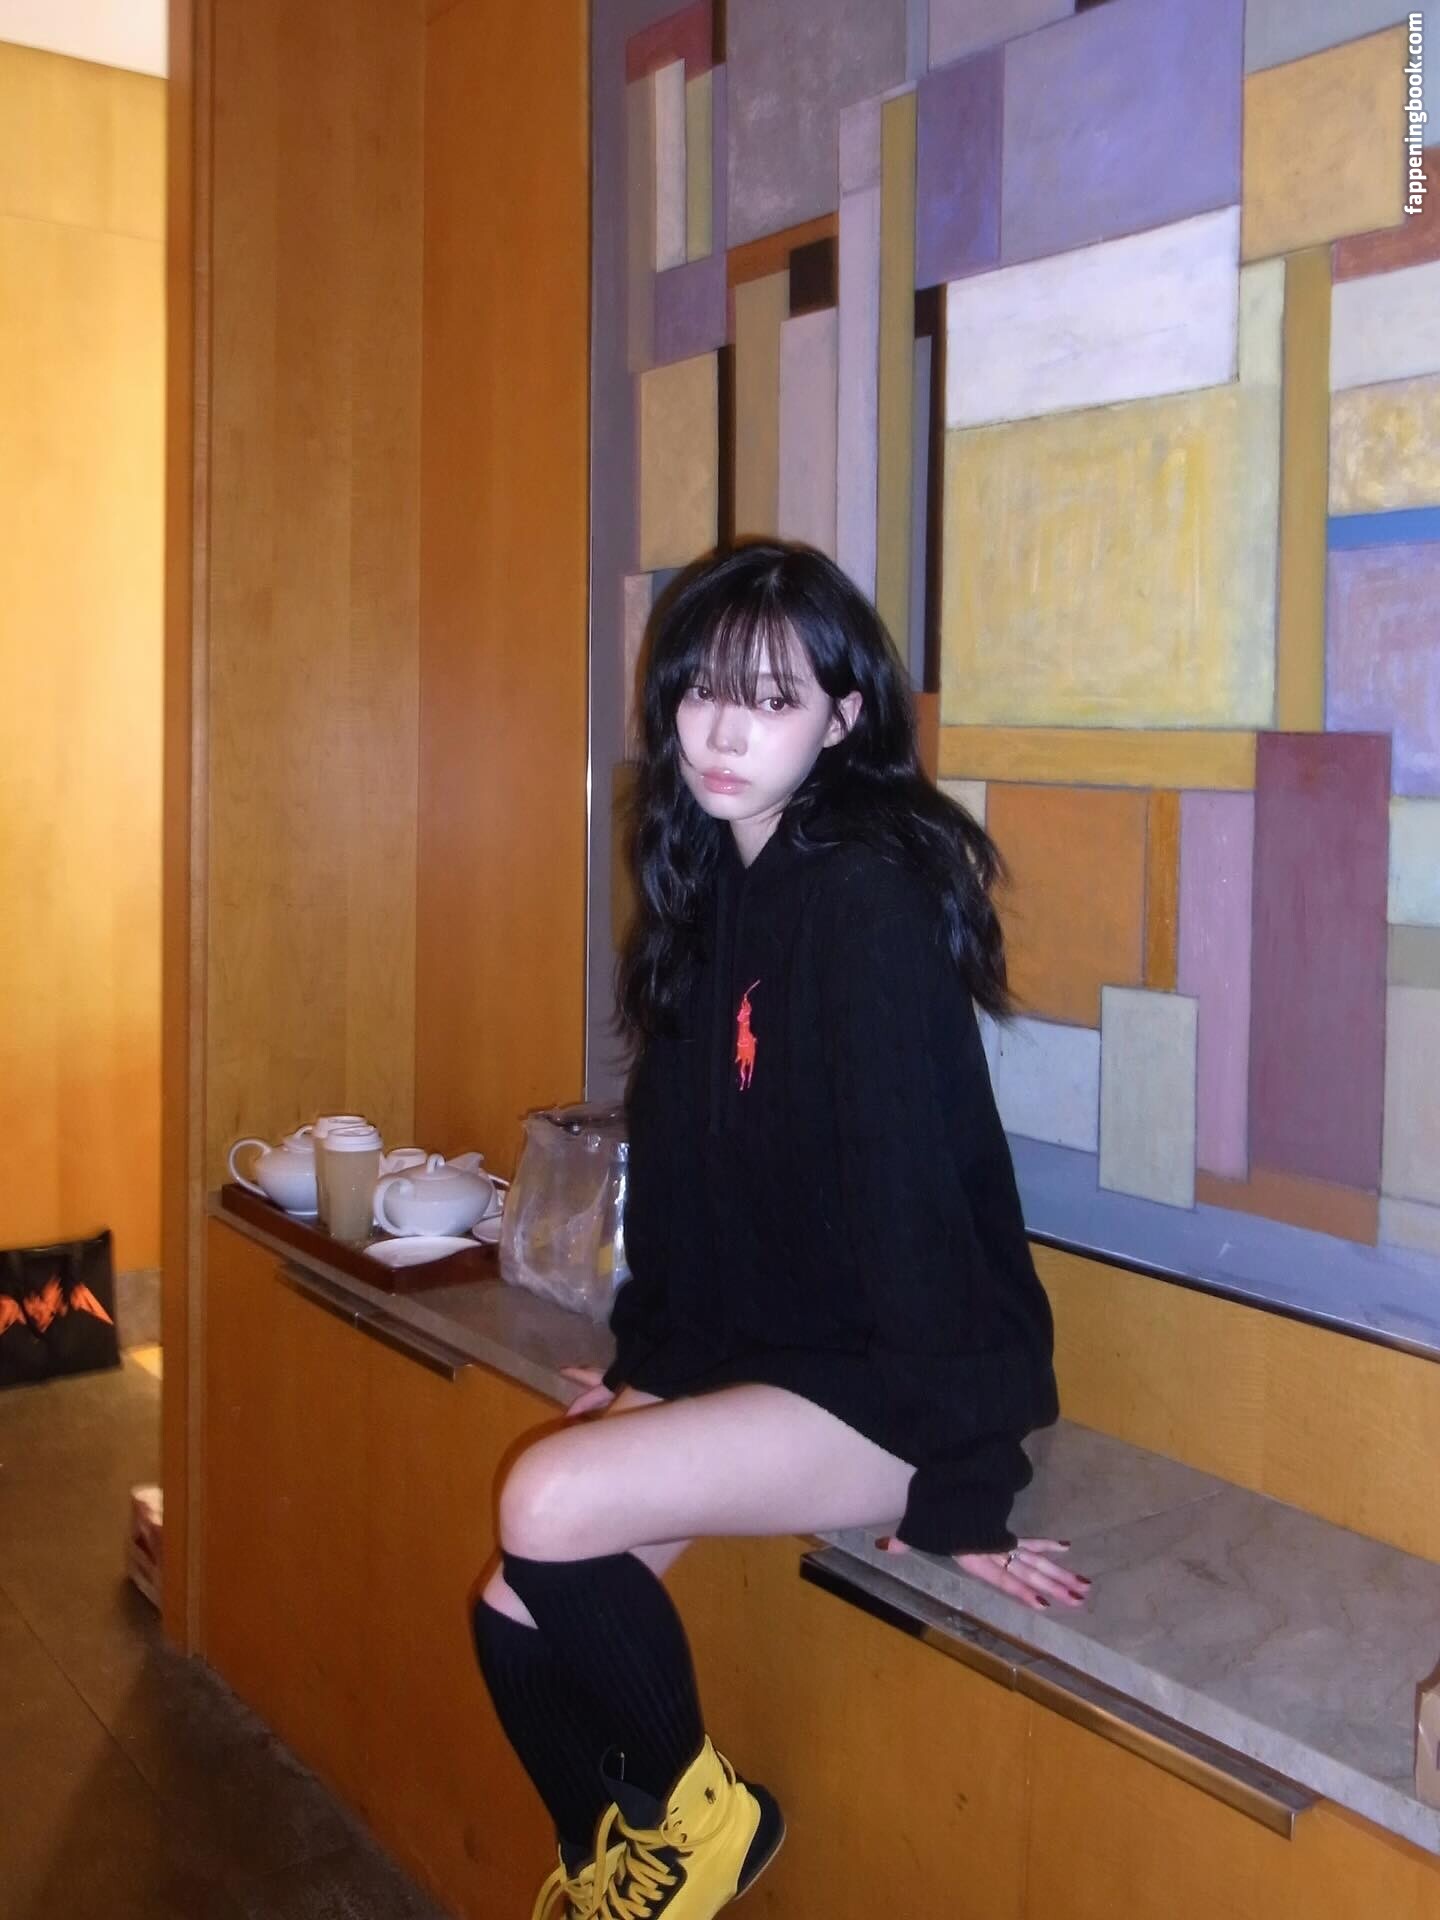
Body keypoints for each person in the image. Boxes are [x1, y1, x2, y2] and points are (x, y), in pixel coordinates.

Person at [469, 541, 1090, 1920]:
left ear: (842, 718)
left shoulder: (864, 902)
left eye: (772, 699)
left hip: (895, 1391)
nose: (723, 732)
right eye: (702, 691)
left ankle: (712, 1825)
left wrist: (962, 1493)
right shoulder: (710, 890)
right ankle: (619, 1864)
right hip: (774, 1356)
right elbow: (683, 1188)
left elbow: (919, 1214)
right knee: (513, 1616)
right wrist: (647, 1372)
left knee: (543, 1503)